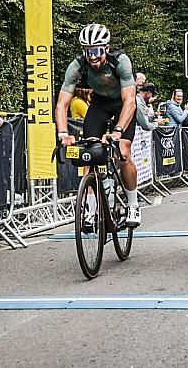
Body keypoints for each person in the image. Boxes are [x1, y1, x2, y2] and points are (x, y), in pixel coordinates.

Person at [54, 23, 140, 226]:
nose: (92, 56)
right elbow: (62, 104)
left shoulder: (120, 61)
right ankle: (91, 211)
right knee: (89, 155)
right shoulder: (77, 66)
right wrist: (63, 133)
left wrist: (118, 130)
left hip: (122, 104)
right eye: (87, 51)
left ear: (107, 49)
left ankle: (133, 205)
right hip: (99, 103)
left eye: (96, 51)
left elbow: (130, 101)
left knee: (124, 153)